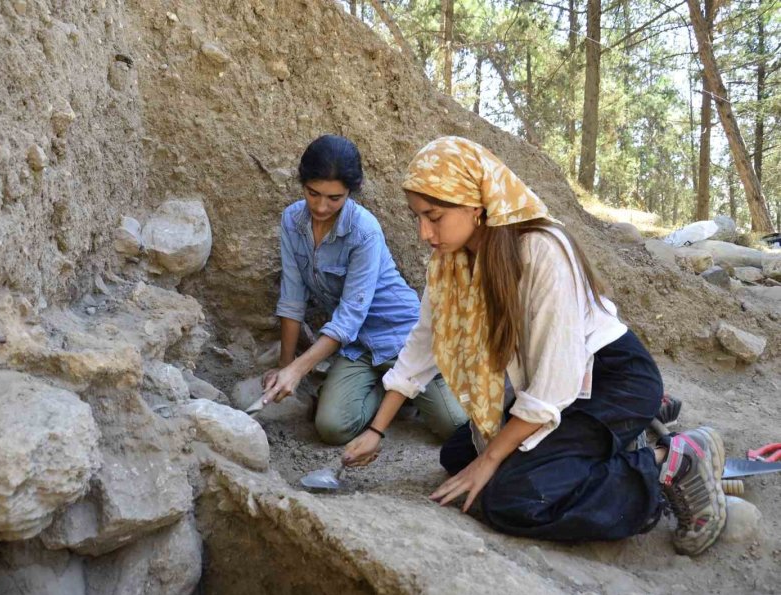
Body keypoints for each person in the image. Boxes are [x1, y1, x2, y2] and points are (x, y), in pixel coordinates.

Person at [342, 136, 727, 556]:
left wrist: (489, 462)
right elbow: (423, 344)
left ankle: (670, 461)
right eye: (419, 217)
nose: (424, 233)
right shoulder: (450, 261)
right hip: (558, 386)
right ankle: (616, 439)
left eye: (434, 216)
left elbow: (554, 383)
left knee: (511, 498)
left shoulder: (541, 250)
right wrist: (376, 429)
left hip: (609, 379)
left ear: (475, 204)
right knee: (458, 454)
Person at [261, 134, 468, 446]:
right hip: (357, 346)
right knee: (332, 427)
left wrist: (298, 372)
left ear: (350, 193)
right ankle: (392, 391)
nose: (320, 206)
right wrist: (284, 368)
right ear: (302, 183)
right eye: (313, 193)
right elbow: (292, 299)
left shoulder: (364, 230)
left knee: (454, 426)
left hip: (402, 338)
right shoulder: (292, 221)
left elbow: (349, 316)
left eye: (334, 198)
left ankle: (431, 374)